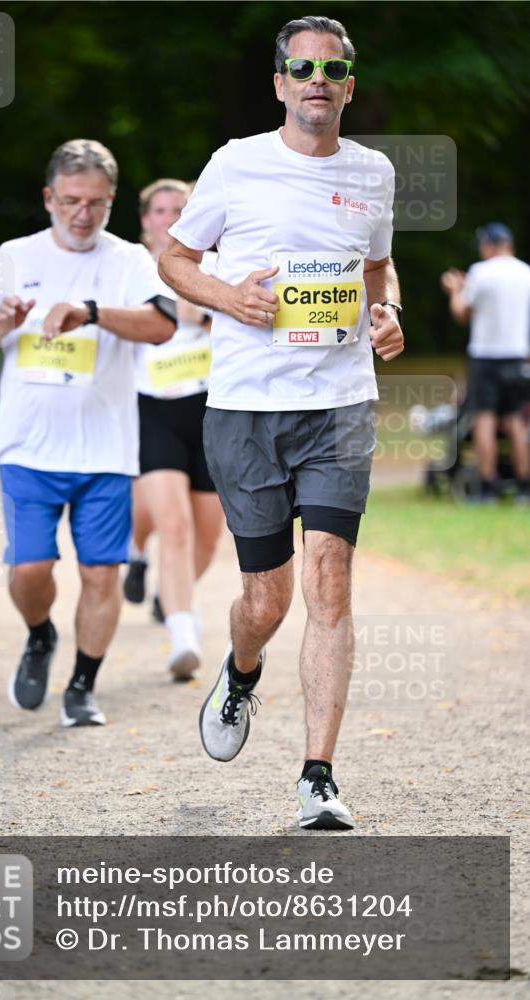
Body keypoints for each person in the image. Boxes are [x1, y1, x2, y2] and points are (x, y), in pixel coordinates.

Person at [159, 15, 404, 830]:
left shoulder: (372, 173)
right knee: (264, 601)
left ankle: (317, 777)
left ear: (347, 85)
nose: (316, 80)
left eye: (332, 70)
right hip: (246, 409)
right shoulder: (235, 163)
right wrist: (230, 297)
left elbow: (376, 266)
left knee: (327, 581)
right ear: (279, 82)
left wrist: (389, 310)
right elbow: (174, 260)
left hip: (338, 406)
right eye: (301, 67)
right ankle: (240, 669)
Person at [0, 139, 176, 727]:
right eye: (72, 201)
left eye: (96, 203)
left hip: (105, 448)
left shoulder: (127, 260)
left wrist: (92, 311)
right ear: (49, 198)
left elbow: (161, 324)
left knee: (102, 572)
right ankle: (40, 634)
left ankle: (82, 686)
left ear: (112, 202)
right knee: (30, 571)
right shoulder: (15, 256)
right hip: (28, 445)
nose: (83, 214)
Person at [123, 179, 225, 680]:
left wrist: (206, 314)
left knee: (208, 536)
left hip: (211, 411)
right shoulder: (130, 267)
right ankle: (183, 632)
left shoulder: (218, 264)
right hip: (153, 409)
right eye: (159, 210)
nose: (168, 217)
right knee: (173, 524)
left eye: (179, 209)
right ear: (145, 220)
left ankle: (166, 587)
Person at [441, 223, 530, 503]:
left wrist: (456, 289)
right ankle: (523, 485)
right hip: (517, 356)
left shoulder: (481, 272)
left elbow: (461, 313)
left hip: (485, 358)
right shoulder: (526, 272)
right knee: (515, 419)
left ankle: (488, 484)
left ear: (491, 245)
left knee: (484, 419)